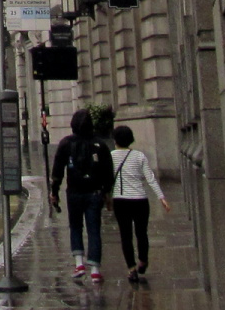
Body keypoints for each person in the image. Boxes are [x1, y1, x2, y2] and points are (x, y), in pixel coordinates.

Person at [49, 108, 115, 283]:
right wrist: (107, 193)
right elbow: (108, 172)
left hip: (74, 193)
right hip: (95, 193)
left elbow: (57, 172)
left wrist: (54, 192)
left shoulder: (65, 144)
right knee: (94, 229)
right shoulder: (100, 145)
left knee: (76, 226)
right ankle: (95, 269)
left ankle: (79, 264)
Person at [110, 125, 171, 282]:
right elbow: (150, 178)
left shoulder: (111, 156)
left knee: (126, 235)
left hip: (120, 200)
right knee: (141, 232)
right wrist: (161, 197)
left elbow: (107, 179)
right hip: (140, 200)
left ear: (115, 140)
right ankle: (143, 261)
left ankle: (131, 268)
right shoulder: (139, 156)